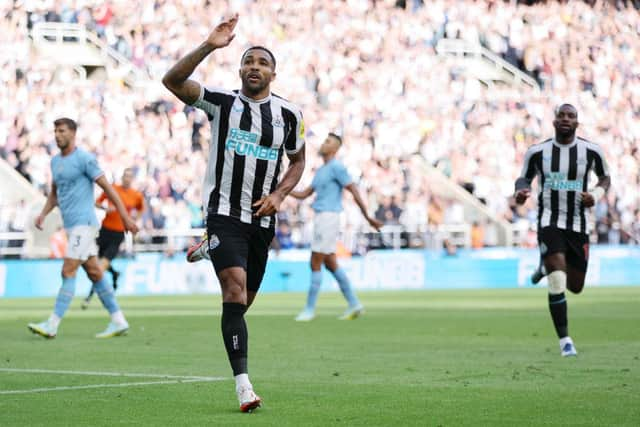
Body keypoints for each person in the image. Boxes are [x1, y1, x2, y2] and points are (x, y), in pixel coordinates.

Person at [162, 14, 305, 412]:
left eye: (262, 62)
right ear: (239, 69)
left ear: (273, 73)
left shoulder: (289, 115)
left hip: (262, 220)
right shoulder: (222, 103)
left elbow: (297, 162)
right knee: (234, 291)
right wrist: (209, 44)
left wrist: (280, 194)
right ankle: (243, 386)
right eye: (248, 61)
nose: (254, 67)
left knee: (242, 304)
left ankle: (210, 247)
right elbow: (171, 82)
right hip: (224, 213)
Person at [28, 118, 139, 339]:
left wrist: (125, 217)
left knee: (68, 270)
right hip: (71, 227)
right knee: (95, 272)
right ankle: (118, 320)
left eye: (62, 131)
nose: (57, 135)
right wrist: (43, 214)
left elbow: (109, 188)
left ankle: (52, 324)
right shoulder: (55, 162)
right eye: (55, 131)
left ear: (73, 133)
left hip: (85, 225)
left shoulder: (85, 159)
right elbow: (54, 194)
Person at [514, 104, 610, 357]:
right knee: (558, 279)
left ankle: (545, 266)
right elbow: (523, 178)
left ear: (577, 123)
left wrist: (596, 195)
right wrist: (521, 191)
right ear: (554, 121)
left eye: (571, 116)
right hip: (549, 221)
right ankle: (565, 341)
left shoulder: (591, 151)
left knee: (575, 286)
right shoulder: (538, 151)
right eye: (561, 115)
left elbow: (605, 178)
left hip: (579, 225)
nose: (566, 119)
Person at [290, 133, 383, 321]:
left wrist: (367, 217)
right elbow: (305, 193)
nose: (324, 143)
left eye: (328, 142)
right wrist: (282, 191)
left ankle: (309, 310)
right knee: (330, 263)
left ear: (335, 149)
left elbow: (354, 190)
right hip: (321, 217)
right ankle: (354, 303)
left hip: (329, 217)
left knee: (315, 261)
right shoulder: (322, 170)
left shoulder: (337, 167)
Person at [82, 168, 144, 309]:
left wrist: (135, 219)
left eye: (129, 176)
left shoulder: (136, 195)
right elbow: (97, 202)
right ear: (122, 177)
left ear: (132, 179)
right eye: (125, 176)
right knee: (93, 261)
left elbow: (141, 209)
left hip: (118, 234)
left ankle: (89, 296)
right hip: (104, 231)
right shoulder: (113, 189)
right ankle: (115, 274)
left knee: (99, 268)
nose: (127, 179)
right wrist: (105, 208)